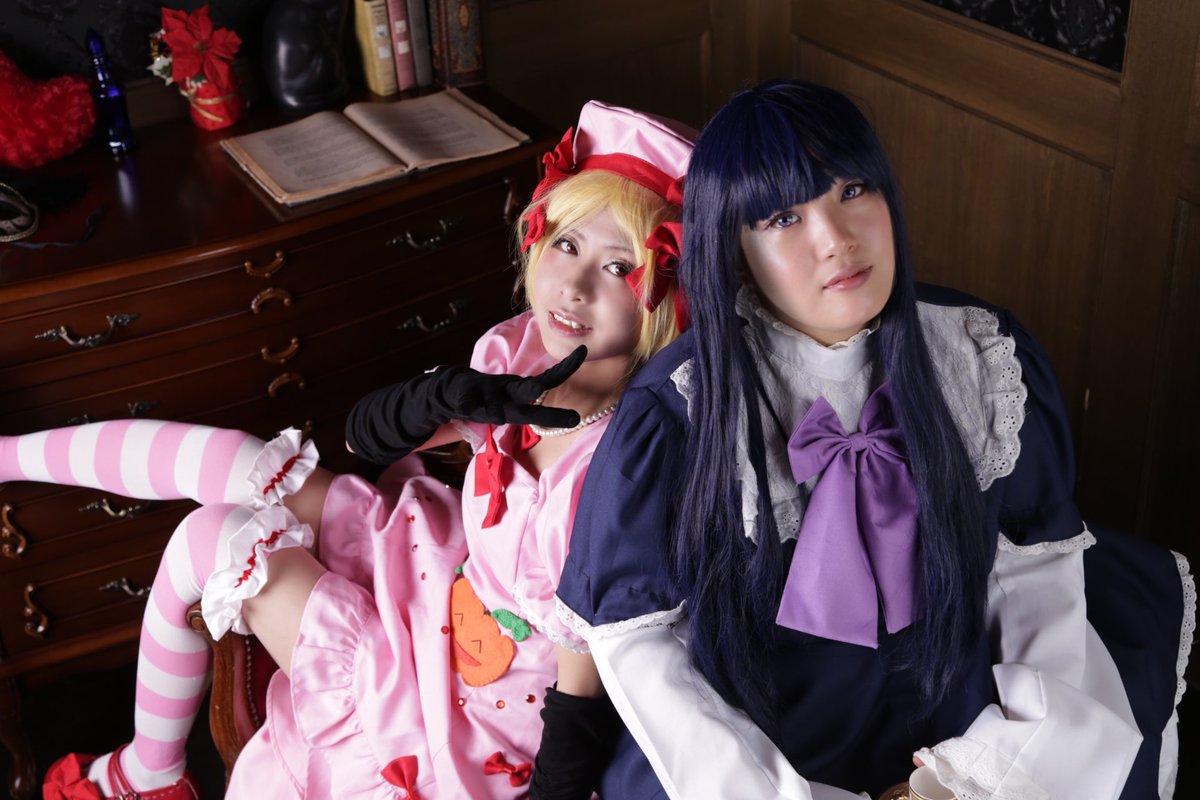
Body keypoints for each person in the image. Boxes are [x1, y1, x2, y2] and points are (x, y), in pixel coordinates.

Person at [15, 99, 694, 800]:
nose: (574, 286)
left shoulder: (617, 473)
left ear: (667, 295)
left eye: (619, 267)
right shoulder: (520, 351)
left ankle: (148, 774)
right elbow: (363, 438)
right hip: (441, 582)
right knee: (240, 463)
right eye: (568, 244)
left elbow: (582, 688)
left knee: (208, 535)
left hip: (471, 714)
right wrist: (441, 397)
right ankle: (7, 458)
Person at [555, 79, 1193, 800]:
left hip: (956, 706)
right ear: (732, 245)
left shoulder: (980, 354)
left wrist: (972, 773)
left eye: (853, 190)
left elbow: (1033, 576)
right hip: (757, 741)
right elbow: (640, 645)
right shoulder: (680, 412)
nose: (837, 239)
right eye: (784, 216)